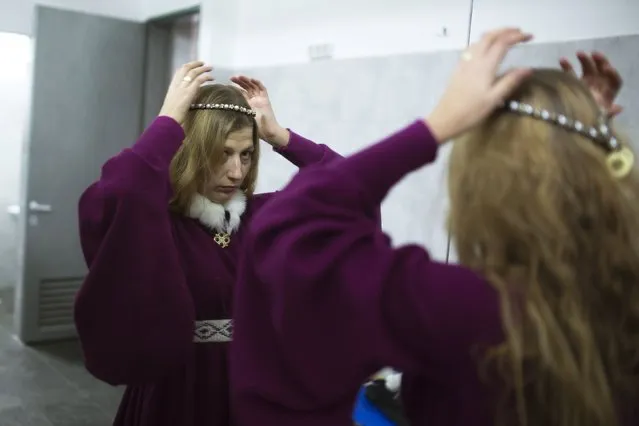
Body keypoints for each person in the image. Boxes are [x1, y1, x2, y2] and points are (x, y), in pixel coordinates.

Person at [230, 27, 638, 426]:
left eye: (245, 155)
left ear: (486, 181)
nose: (234, 170)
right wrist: (582, 140)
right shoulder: (620, 299)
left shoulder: (467, 308)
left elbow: (293, 224)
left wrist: (437, 125)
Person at [74, 62, 341, 426]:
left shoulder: (263, 218)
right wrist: (168, 121)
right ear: (193, 151)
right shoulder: (160, 223)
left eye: (245, 154)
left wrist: (279, 135)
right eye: (221, 153)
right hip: (179, 393)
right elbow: (116, 194)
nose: (236, 172)